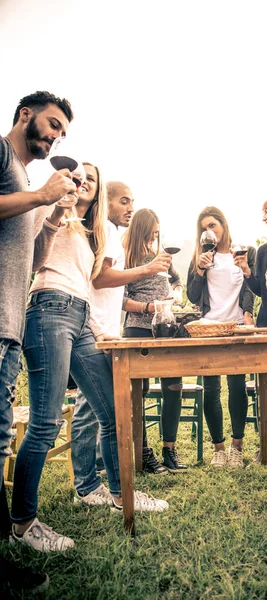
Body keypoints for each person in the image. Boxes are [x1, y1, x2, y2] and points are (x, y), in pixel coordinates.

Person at [10, 162, 169, 554]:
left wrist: (95, 329)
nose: (83, 181)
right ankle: (23, 523)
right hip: (47, 307)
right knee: (46, 424)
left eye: (91, 178)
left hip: (80, 316)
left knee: (112, 411)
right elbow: (32, 262)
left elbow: (89, 285)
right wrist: (56, 209)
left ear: (96, 191)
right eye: (79, 175)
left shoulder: (89, 232)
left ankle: (119, 494)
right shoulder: (49, 211)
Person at [0, 91, 75, 592]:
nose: (54, 136)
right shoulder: (1, 156)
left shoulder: (26, 181)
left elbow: (24, 258)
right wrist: (41, 197)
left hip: (9, 323)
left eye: (62, 132)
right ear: (25, 114)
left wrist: (48, 218)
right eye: (51, 124)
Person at [70, 183, 172, 499]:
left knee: (92, 408)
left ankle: (90, 482)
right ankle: (89, 485)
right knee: (93, 410)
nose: (130, 207)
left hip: (103, 329)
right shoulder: (107, 231)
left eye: (132, 201)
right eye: (123, 201)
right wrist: (148, 269)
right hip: (94, 329)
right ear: (107, 202)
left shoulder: (105, 231)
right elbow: (100, 279)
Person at [187, 206, 255, 469]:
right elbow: (193, 296)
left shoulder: (242, 251)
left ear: (223, 226)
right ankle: (218, 449)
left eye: (213, 225)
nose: (209, 231)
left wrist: (248, 312)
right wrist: (200, 270)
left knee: (238, 387)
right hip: (208, 327)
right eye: (204, 227)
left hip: (236, 326)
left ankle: (237, 447)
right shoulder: (201, 257)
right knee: (211, 389)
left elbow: (250, 286)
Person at [122, 208, 187, 473]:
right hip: (137, 330)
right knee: (140, 392)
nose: (154, 239)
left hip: (167, 329)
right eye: (150, 234)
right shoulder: (125, 259)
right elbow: (121, 300)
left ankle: (169, 450)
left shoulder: (163, 258)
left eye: (157, 234)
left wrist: (177, 295)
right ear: (140, 232)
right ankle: (143, 452)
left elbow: (178, 282)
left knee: (174, 388)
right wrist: (150, 307)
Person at [235, 197, 267, 460]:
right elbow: (259, 290)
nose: (265, 217)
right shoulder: (264, 250)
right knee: (262, 388)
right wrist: (245, 270)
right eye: (263, 213)